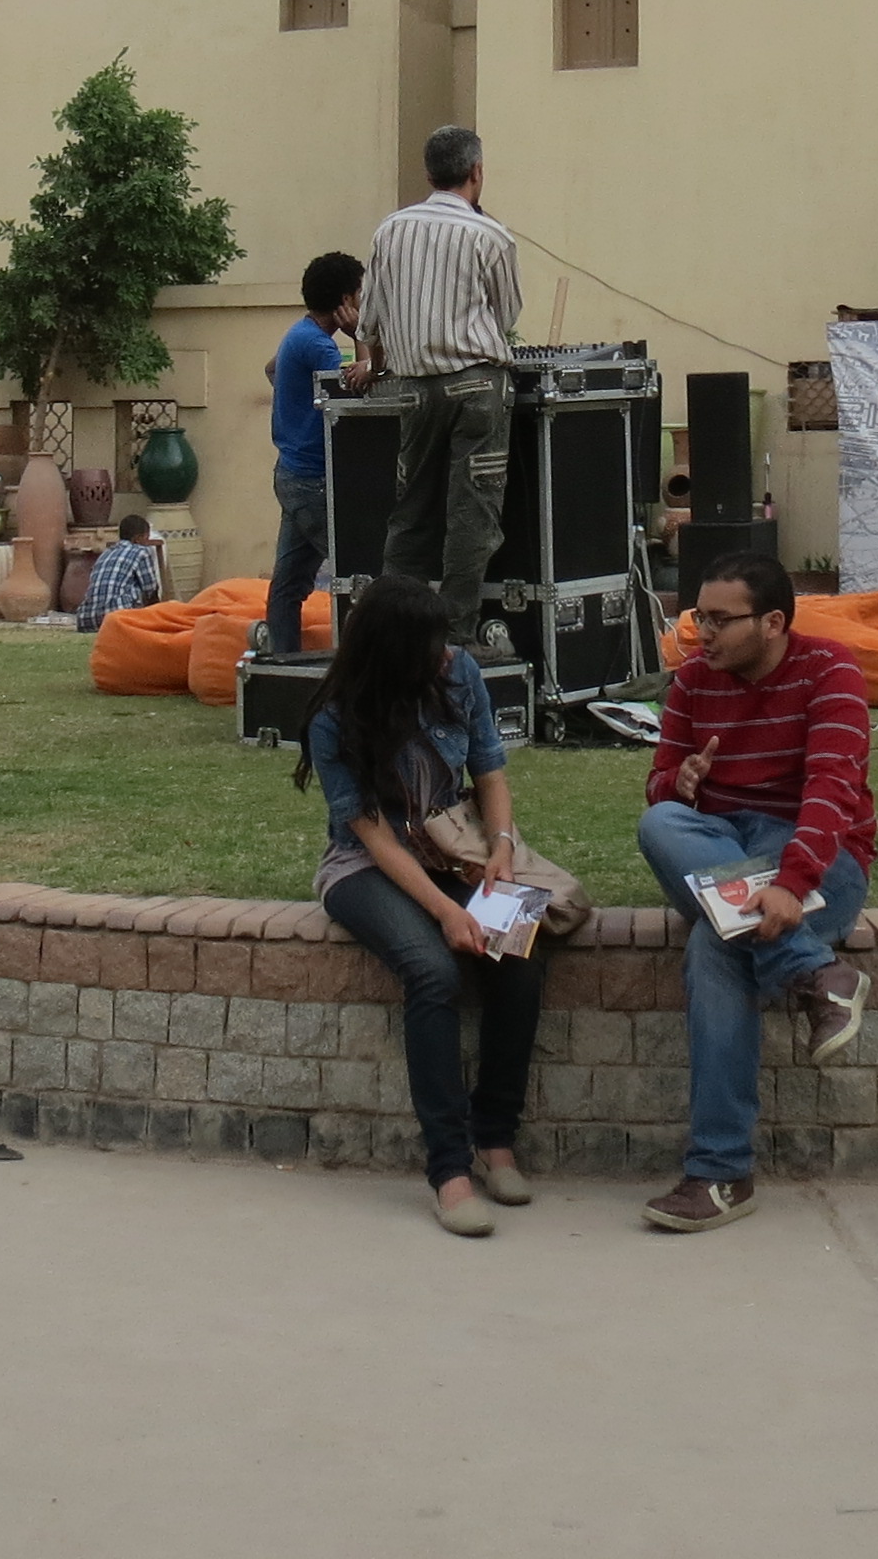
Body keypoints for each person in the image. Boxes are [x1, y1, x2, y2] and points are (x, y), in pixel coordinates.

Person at [632, 549, 874, 1233]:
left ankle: (719, 1174)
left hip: (819, 858)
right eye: (698, 617)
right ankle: (816, 973)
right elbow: (659, 785)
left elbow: (832, 789)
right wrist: (680, 784)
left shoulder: (830, 671)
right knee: (660, 823)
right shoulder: (692, 682)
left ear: (772, 623)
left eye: (720, 620)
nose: (702, 633)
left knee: (717, 944)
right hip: (720, 847)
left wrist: (791, 883)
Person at [301, 578, 545, 1235]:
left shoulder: (460, 674)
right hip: (365, 867)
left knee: (520, 953)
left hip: (456, 847)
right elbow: (373, 836)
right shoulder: (334, 718)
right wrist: (445, 911)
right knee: (432, 972)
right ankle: (449, 1170)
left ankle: (495, 1140)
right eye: (432, 646)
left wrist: (501, 849)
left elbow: (490, 772)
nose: (447, 655)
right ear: (394, 653)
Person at [353, 125, 523, 627]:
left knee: (411, 513)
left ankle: (394, 632)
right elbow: (507, 317)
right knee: (472, 514)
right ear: (477, 172)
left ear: (428, 175)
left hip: (414, 388)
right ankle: (454, 633)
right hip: (477, 385)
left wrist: (376, 363)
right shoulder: (491, 236)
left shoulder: (389, 230)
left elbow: (369, 321)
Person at [261, 252, 362, 657]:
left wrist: (296, 403)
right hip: (312, 482)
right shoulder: (320, 347)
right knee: (359, 573)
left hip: (292, 472)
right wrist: (359, 335)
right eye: (360, 294)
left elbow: (272, 369)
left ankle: (281, 660)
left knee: (289, 582)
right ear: (345, 300)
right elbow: (358, 392)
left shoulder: (298, 335)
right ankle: (362, 664)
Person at [78, 514, 165, 630]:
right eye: (146, 538)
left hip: (86, 619)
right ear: (138, 538)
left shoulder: (105, 553)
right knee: (141, 592)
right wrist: (158, 618)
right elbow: (150, 590)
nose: (147, 542)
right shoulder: (141, 552)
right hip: (118, 616)